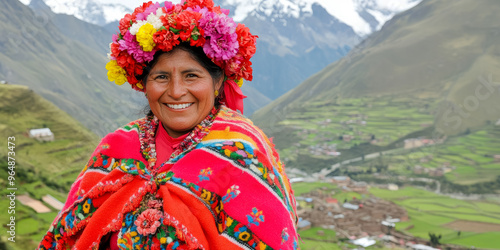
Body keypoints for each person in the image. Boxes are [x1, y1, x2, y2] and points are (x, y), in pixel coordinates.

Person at [38, 0, 299, 249]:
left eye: (191, 76)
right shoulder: (117, 145)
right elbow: (68, 236)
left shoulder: (243, 152)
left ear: (218, 82)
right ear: (144, 85)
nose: (175, 92)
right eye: (161, 77)